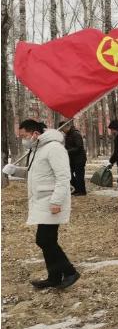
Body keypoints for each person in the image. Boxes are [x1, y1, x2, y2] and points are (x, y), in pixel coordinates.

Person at [2, 119, 80, 289]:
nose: (23, 140)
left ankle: (70, 272)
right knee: (47, 240)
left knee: (44, 240)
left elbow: (63, 177)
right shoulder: (37, 149)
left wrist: (56, 201)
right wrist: (14, 171)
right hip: (42, 201)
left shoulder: (54, 148)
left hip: (51, 201)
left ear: (35, 134)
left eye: (24, 136)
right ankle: (54, 277)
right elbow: (34, 174)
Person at [57, 120, 87, 196]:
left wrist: (66, 151)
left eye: (63, 129)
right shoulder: (68, 135)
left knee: (79, 175)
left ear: (66, 127)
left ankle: (82, 191)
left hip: (79, 158)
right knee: (68, 174)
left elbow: (79, 147)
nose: (63, 132)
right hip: (72, 158)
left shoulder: (76, 134)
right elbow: (68, 146)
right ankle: (77, 189)